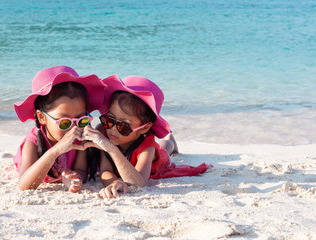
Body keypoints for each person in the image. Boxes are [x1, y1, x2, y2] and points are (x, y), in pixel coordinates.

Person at [83, 75, 211, 198]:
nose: (112, 129)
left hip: (156, 162)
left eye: (123, 126)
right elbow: (106, 170)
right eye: (109, 119)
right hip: (125, 162)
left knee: (165, 149)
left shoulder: (147, 147)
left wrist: (112, 149)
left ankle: (170, 140)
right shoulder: (103, 130)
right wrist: (114, 182)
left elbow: (138, 182)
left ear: (144, 128)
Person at [13, 66, 105, 192]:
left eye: (80, 119)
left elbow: (81, 169)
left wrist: (75, 177)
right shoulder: (32, 142)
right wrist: (55, 151)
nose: (73, 128)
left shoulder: (81, 132)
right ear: (41, 117)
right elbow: (24, 185)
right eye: (64, 122)